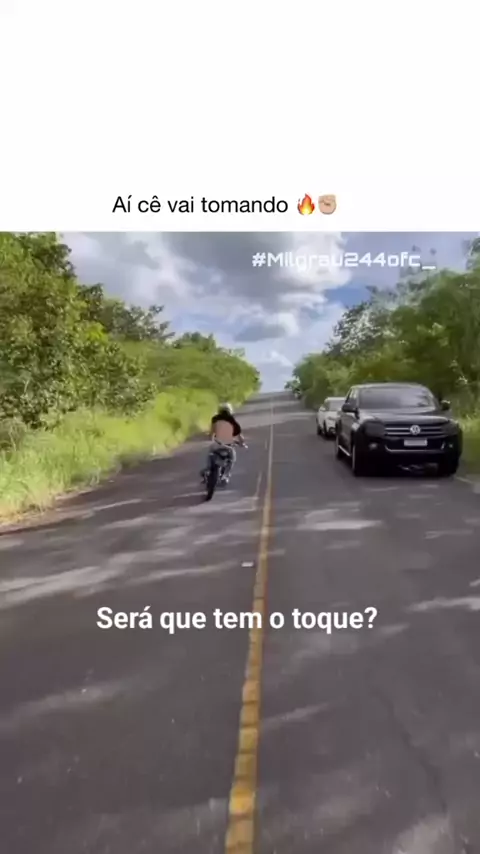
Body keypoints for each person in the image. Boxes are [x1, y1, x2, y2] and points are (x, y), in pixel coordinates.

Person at [202, 403, 245, 484]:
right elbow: (239, 435)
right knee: (232, 459)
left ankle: (207, 470)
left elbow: (212, 433)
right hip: (228, 445)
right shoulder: (232, 420)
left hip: (217, 444)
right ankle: (225, 475)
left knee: (210, 454)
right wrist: (242, 443)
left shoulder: (215, 419)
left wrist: (210, 438)